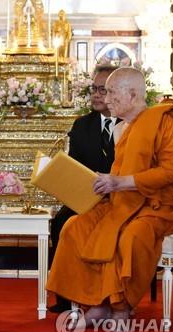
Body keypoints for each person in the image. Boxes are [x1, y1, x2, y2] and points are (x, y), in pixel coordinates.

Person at [47, 67, 173, 329]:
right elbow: (120, 171)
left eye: (112, 92)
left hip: (158, 206)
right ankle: (96, 303)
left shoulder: (165, 120)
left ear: (133, 94)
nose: (107, 98)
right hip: (122, 202)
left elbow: (170, 171)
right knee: (74, 227)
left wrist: (120, 182)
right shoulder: (124, 127)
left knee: (131, 236)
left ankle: (121, 305)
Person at [49, 64, 120, 313]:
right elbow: (74, 166)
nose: (96, 95)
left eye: (103, 89)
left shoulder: (130, 124)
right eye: (94, 89)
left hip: (119, 200)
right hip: (85, 198)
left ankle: (109, 296)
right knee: (60, 221)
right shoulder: (82, 125)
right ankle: (64, 296)